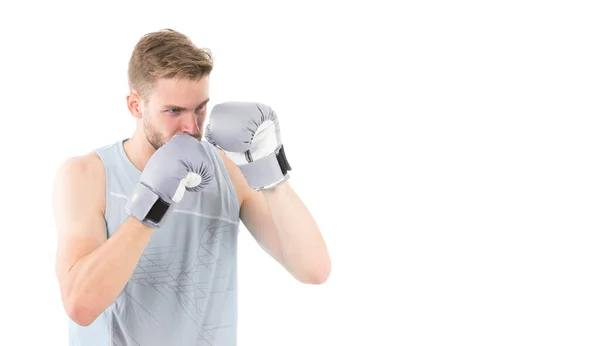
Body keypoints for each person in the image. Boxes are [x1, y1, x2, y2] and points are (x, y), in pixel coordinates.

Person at [52, 28, 331, 346]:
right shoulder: (88, 175)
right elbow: (80, 306)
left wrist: (268, 167)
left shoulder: (227, 171)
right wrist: (153, 200)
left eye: (200, 108)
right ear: (135, 105)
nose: (191, 126)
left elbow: (314, 269)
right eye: (173, 111)